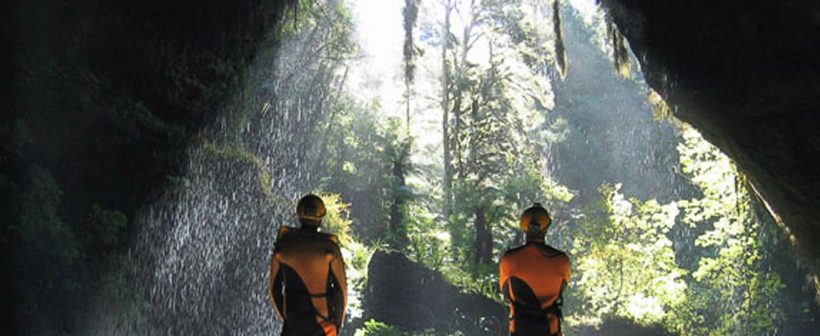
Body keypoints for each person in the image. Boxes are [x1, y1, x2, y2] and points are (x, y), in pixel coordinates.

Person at [269, 194, 348, 336]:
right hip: (324, 323)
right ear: (321, 218)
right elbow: (340, 292)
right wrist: (337, 325)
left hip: (293, 324)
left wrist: (287, 319)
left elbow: (274, 290)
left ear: (299, 215)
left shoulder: (282, 248)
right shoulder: (329, 249)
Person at [499, 203, 571, 336]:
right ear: (546, 228)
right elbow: (561, 289)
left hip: (519, 330)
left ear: (524, 228)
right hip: (551, 331)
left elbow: (506, 293)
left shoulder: (509, 259)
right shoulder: (562, 260)